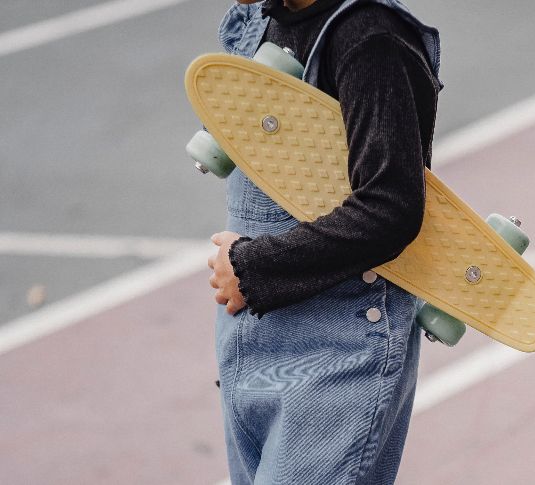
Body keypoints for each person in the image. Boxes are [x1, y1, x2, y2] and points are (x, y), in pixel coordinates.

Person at [205, 0, 442, 482]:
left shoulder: (369, 35)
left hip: (339, 348)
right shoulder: (262, 18)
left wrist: (252, 267)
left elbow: (389, 207)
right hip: (252, 341)